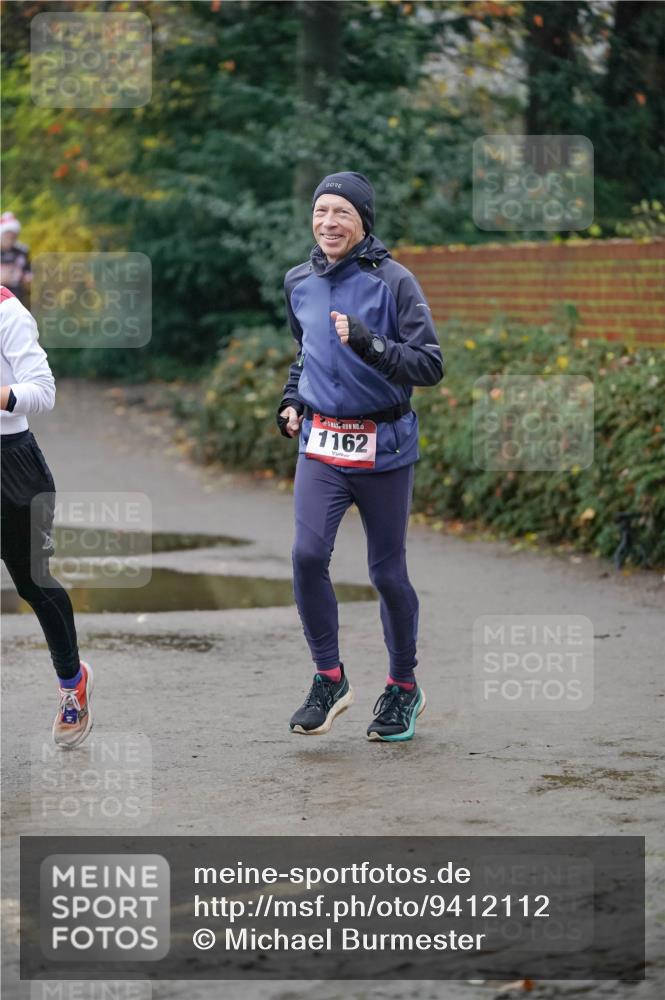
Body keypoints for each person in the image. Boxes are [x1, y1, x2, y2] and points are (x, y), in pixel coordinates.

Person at [277, 171, 444, 742]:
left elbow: (429, 365)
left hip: (385, 446)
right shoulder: (298, 280)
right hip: (320, 445)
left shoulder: (394, 283)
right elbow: (305, 353)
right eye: (321, 211)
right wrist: (292, 400)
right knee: (305, 555)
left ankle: (402, 687)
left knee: (387, 573)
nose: (329, 223)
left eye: (342, 213)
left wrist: (370, 343)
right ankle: (329, 678)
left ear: (362, 221)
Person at [1, 285, 93, 748]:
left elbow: (43, 392)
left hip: (10, 465)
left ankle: (72, 681)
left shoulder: (8, 312)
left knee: (32, 582)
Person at [0, 213, 32, 305]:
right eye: (7, 234)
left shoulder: (21, 251)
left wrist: (24, 277)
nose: (10, 237)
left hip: (17, 297)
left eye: (13, 235)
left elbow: (28, 273)